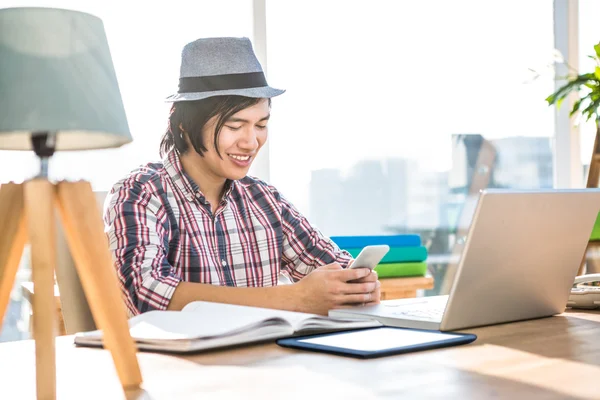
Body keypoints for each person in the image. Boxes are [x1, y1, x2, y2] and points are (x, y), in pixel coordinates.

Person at [104, 37, 380, 317]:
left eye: (261, 125)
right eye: (234, 126)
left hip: (265, 357)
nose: (251, 142)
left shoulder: (264, 199)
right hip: (178, 359)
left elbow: (331, 266)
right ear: (184, 124)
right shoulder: (141, 192)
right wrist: (294, 297)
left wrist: (356, 286)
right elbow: (147, 292)